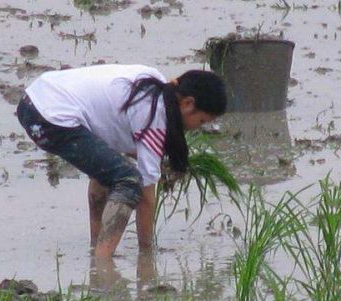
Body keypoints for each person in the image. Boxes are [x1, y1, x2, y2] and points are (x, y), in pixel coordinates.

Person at [16, 64, 227, 258]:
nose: (197, 128)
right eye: (201, 121)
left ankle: (96, 245)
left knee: (108, 171)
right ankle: (103, 261)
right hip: (48, 118)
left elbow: (125, 145)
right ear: (188, 103)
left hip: (35, 98)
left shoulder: (153, 82)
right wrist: (147, 253)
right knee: (128, 180)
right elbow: (146, 194)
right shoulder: (154, 117)